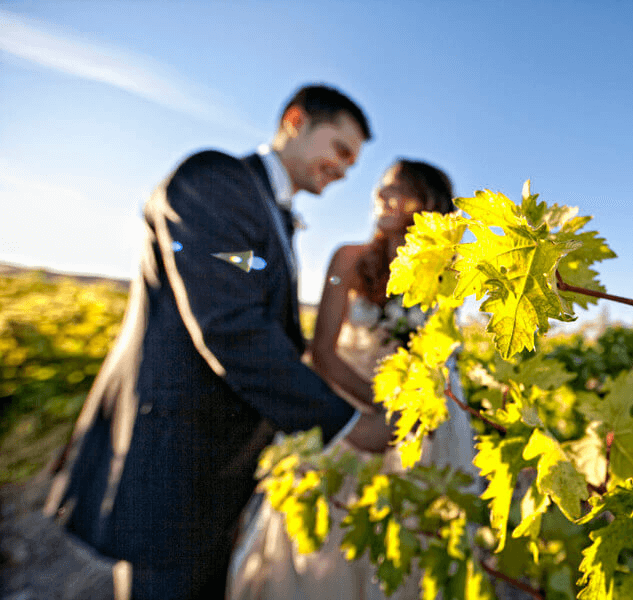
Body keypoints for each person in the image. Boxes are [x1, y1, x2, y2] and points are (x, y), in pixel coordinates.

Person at [41, 85, 395, 600]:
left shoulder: (273, 211)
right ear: (295, 120)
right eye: (340, 149)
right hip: (172, 466)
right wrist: (348, 424)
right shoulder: (215, 180)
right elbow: (231, 325)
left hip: (218, 469)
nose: (343, 168)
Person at [226, 160, 479, 600]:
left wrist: (415, 411)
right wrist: (380, 407)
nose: (382, 195)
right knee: (330, 534)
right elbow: (322, 352)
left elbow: (441, 350)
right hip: (351, 405)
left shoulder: (449, 273)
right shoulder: (349, 259)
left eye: (399, 189)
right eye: (382, 187)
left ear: (430, 204)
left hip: (422, 416)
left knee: (414, 532)